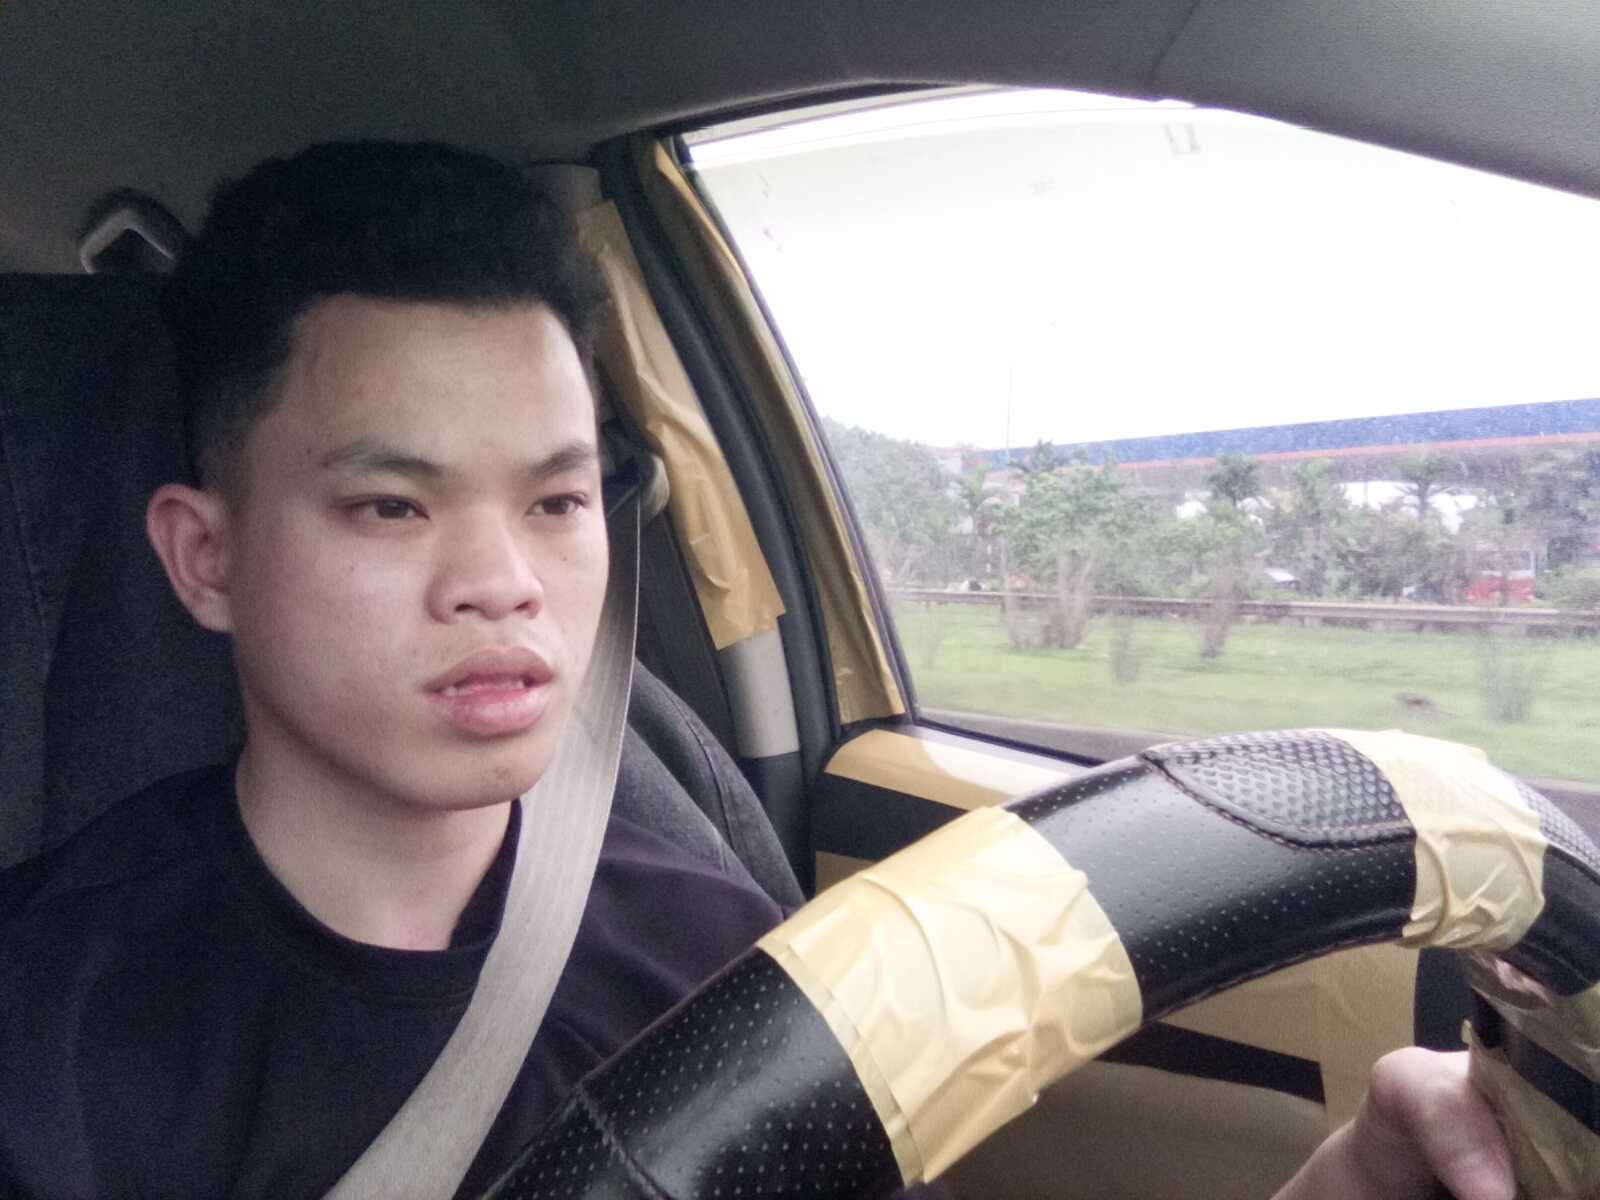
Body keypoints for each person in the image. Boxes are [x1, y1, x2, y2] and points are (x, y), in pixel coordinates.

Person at [0, 140, 1513, 1200]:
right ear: (206, 558)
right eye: (393, 507)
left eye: (559, 501)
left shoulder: (721, 952)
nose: (502, 582)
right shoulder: (56, 1026)